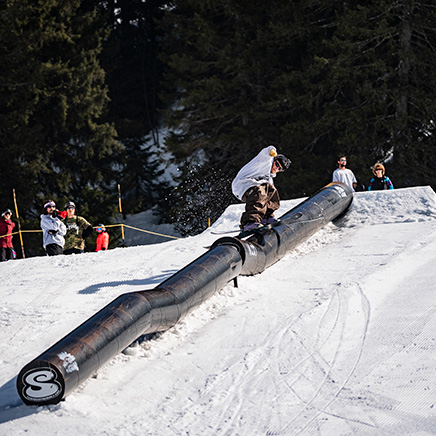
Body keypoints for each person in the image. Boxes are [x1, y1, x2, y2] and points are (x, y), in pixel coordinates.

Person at [232, 145, 291, 232]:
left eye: (279, 168)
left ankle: (266, 216)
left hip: (252, 187)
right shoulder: (265, 162)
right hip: (241, 185)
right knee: (260, 192)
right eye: (277, 164)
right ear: (274, 160)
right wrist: (271, 151)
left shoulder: (269, 178)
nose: (276, 168)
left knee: (272, 191)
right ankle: (249, 222)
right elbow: (266, 153)